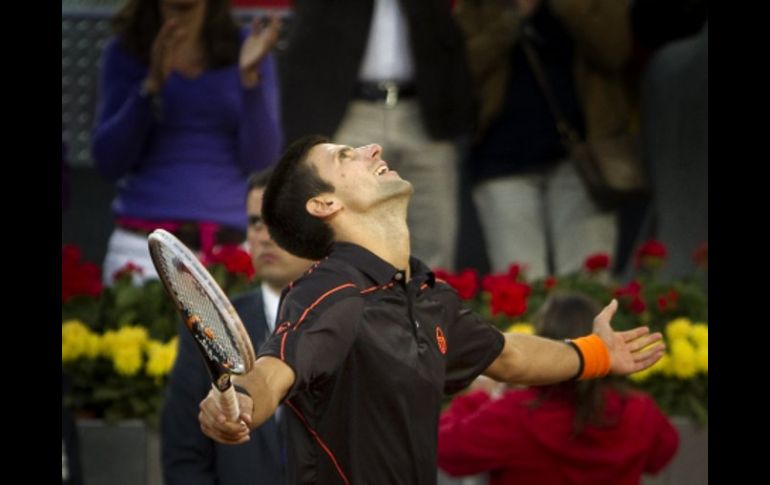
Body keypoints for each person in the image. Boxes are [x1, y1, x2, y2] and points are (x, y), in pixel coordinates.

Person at [197, 136, 665, 484]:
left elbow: (510, 357)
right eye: (345, 156)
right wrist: (241, 402)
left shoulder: (428, 298)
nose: (373, 149)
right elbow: (275, 368)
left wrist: (598, 355)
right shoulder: (327, 294)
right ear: (325, 203)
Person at [91, 0, 282, 285]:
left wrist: (250, 81)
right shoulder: (125, 52)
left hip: (226, 255)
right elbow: (109, 162)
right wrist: (149, 88)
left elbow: (262, 159)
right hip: (143, 252)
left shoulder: (248, 48)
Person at [277, 0, 476, 270]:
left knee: (435, 237)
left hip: (423, 112)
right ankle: (354, 308)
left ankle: (430, 307)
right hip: (348, 109)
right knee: (348, 230)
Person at [455, 0, 633, 278]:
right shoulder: (479, 6)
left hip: (583, 160)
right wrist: (515, 16)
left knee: (588, 286)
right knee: (520, 292)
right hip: (501, 157)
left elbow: (615, 50)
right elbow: (459, 67)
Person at [161, 168, 313, 485]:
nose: (265, 235)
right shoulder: (207, 326)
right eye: (256, 222)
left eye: (279, 220)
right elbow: (185, 456)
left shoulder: (355, 319)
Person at [437, 292, 679, 484]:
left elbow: (445, 449)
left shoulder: (517, 413)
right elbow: (662, 453)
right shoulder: (639, 410)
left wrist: (478, 397)